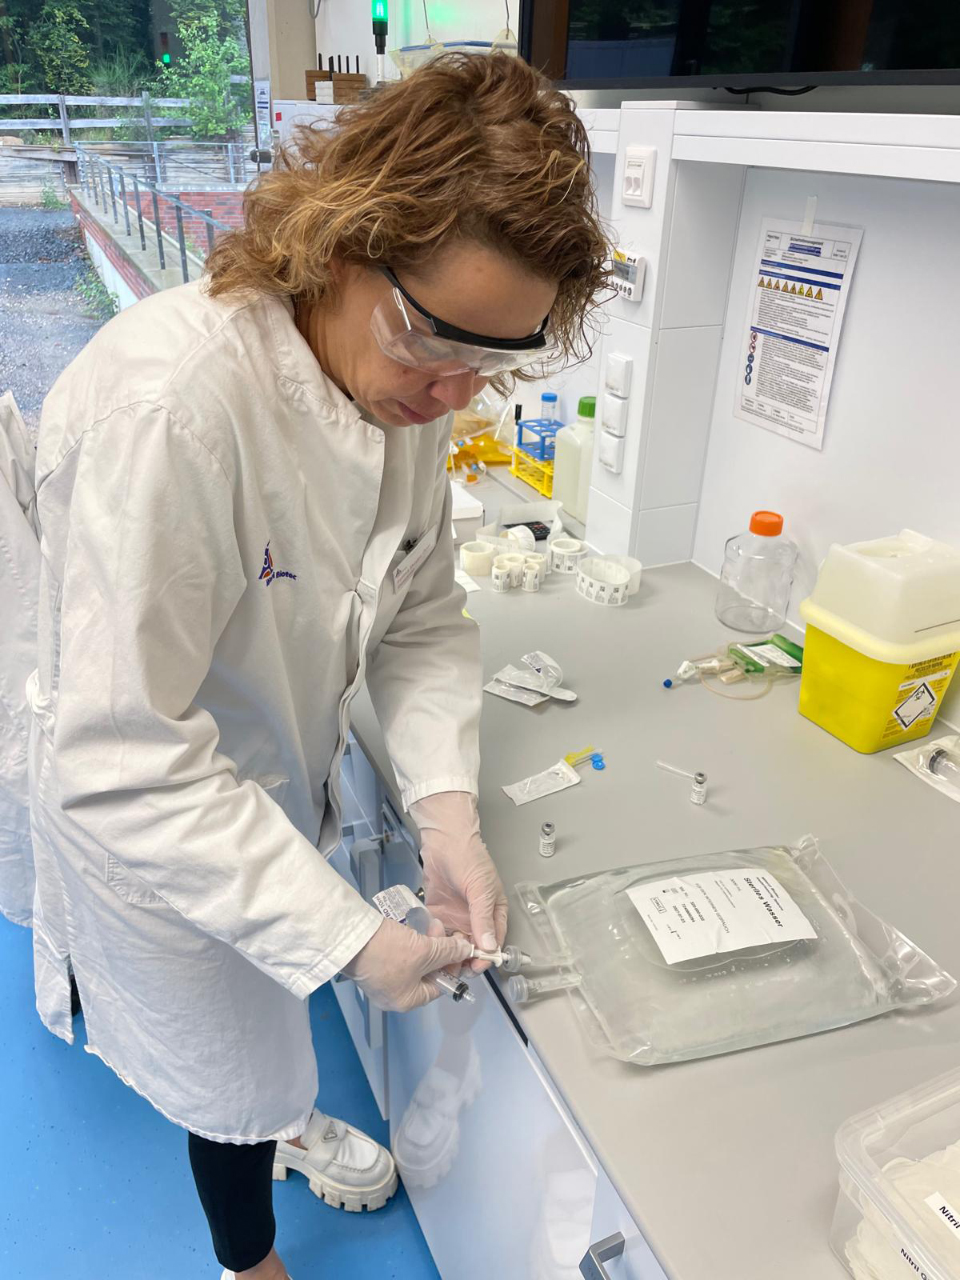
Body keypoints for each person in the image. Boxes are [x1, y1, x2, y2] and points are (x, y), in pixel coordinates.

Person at [27, 52, 608, 1279]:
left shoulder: (399, 389)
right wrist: (347, 939)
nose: (456, 391)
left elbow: (421, 615)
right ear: (344, 241)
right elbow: (121, 754)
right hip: (161, 816)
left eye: (495, 359)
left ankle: (275, 1113)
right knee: (228, 1073)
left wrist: (446, 818)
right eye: (434, 340)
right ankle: (249, 1258)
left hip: (262, 790)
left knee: (266, 1028)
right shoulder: (174, 410)